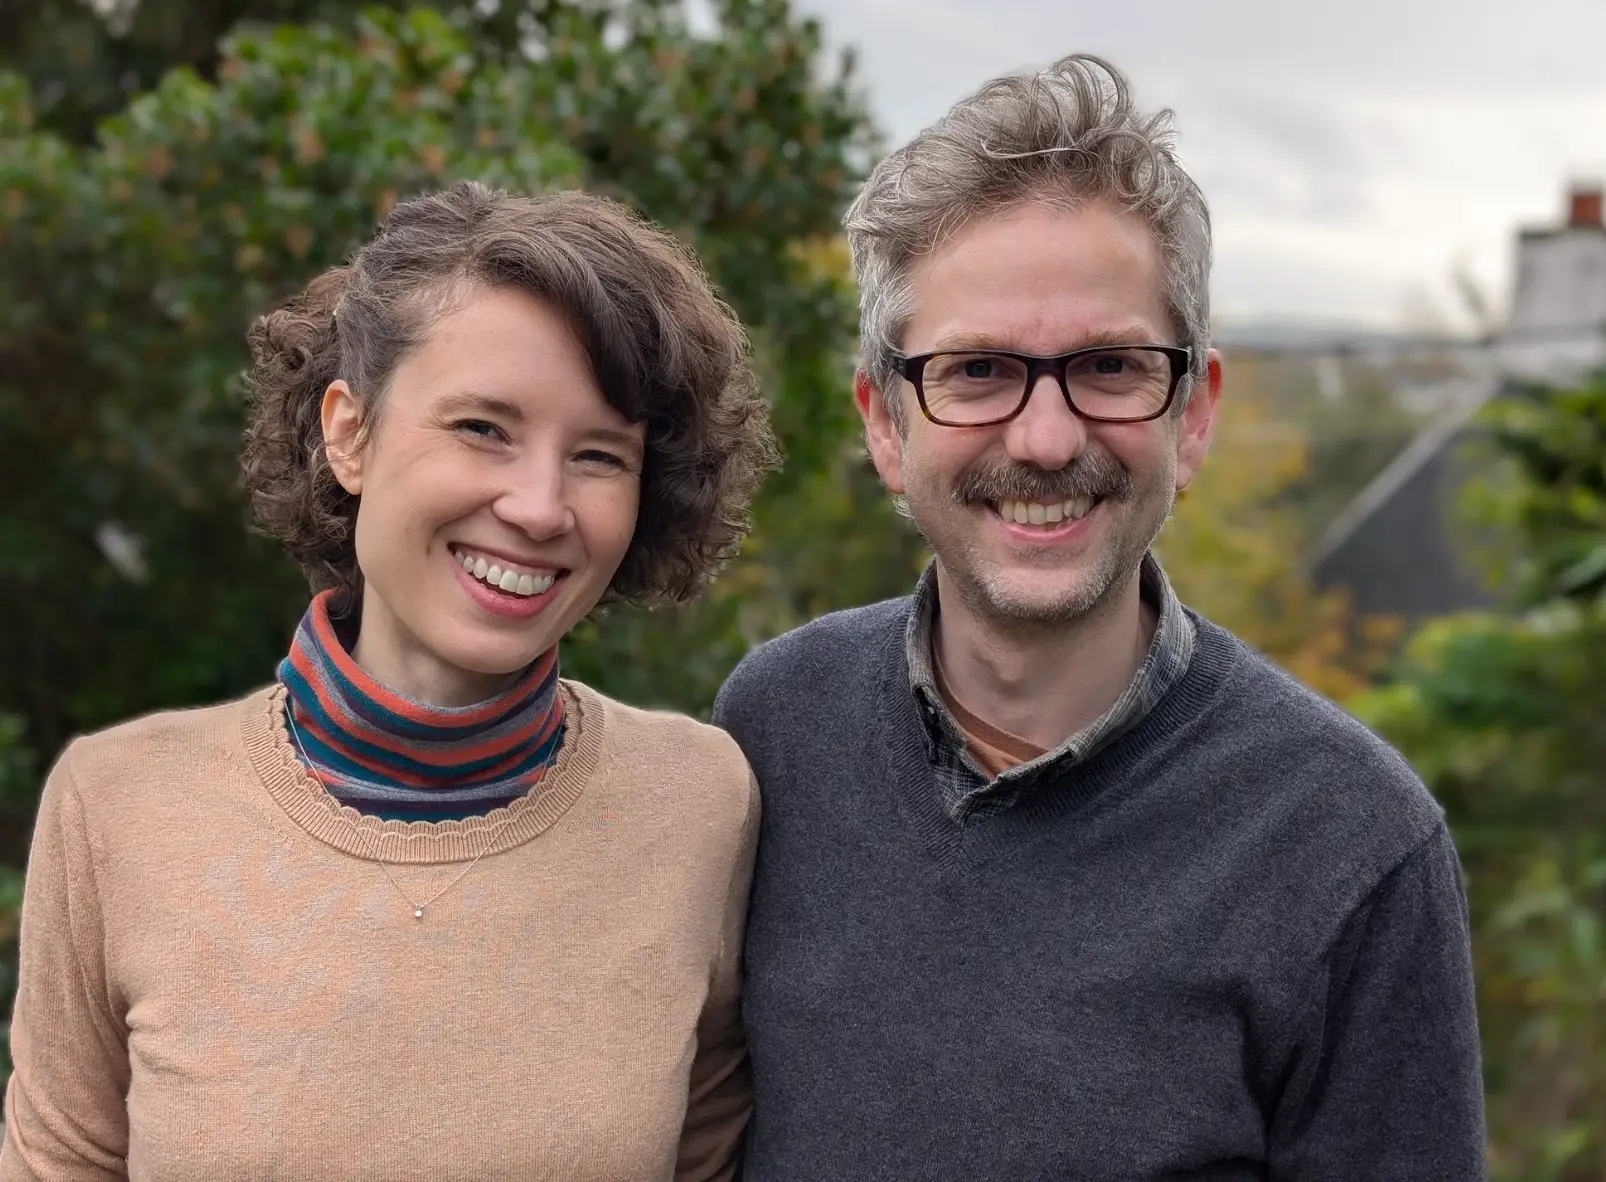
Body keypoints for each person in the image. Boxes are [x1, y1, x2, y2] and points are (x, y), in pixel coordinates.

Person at [712, 56, 1486, 1179]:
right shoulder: (774, 731)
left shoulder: (1351, 848)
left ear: (1194, 411)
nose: (1042, 437)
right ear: (885, 423)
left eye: (1109, 366)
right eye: (976, 370)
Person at [2, 180, 774, 1180]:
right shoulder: (117, 809)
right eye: (482, 429)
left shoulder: (698, 804)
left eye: (597, 454)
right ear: (349, 433)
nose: (540, 507)